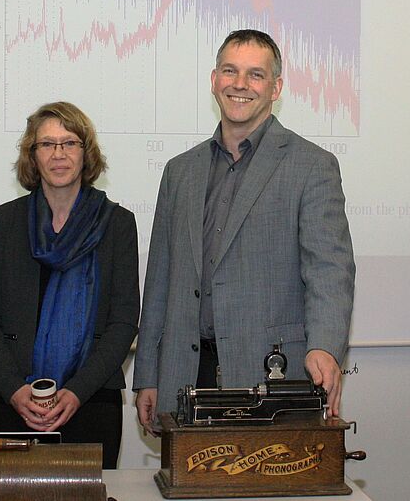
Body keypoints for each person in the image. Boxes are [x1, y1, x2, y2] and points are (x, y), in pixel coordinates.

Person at [133, 29, 355, 434]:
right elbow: (160, 278)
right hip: (186, 375)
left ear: (276, 88)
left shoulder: (312, 166)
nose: (240, 84)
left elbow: (329, 271)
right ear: (214, 79)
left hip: (270, 378)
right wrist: (147, 372)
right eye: (230, 71)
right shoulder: (179, 171)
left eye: (255, 74)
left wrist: (325, 347)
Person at [0, 101, 139, 469]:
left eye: (70, 143)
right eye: (47, 144)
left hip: (91, 400)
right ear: (32, 155)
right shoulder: (5, 221)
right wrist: (15, 390)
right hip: (12, 401)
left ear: (85, 152)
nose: (58, 154)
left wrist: (77, 391)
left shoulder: (118, 223)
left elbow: (124, 321)